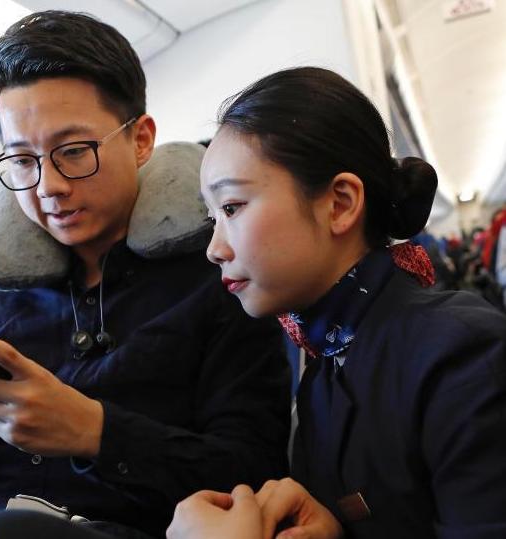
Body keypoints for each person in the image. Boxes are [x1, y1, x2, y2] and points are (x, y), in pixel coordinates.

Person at [0, 11, 291, 539]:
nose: (49, 186)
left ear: (141, 140)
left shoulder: (222, 278)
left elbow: (253, 472)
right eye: (22, 161)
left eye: (73, 152)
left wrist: (97, 433)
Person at [166, 67, 506, 538]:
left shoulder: (461, 354)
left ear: (340, 204)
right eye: (213, 218)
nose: (214, 249)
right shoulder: (325, 369)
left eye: (232, 208)